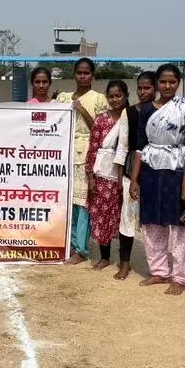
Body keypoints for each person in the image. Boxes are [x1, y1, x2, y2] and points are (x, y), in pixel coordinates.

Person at [131, 63, 185, 295]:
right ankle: (159, 271)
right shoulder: (147, 109)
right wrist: (135, 179)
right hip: (150, 170)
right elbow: (139, 146)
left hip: (176, 170)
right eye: (163, 82)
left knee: (178, 224)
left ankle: (179, 276)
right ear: (157, 83)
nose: (167, 86)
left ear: (178, 83)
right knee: (152, 223)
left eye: (172, 82)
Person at [58, 58, 108, 263]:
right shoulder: (63, 97)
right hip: (64, 153)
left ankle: (81, 249)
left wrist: (80, 109)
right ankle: (67, 242)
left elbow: (101, 128)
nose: (82, 76)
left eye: (86, 73)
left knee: (83, 203)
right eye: (79, 72)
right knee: (66, 202)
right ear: (74, 75)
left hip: (87, 152)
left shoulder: (98, 99)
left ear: (93, 76)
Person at [114, 72, 156, 281]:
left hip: (157, 170)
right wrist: (120, 179)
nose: (143, 92)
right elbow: (122, 146)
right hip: (131, 172)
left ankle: (158, 268)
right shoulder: (128, 113)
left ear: (155, 88)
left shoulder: (163, 112)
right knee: (127, 218)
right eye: (140, 87)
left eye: (147, 87)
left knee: (154, 223)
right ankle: (125, 263)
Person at [85, 80, 130, 270]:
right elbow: (93, 148)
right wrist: (90, 178)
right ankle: (105, 256)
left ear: (126, 96)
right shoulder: (101, 120)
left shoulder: (131, 117)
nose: (115, 99)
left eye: (118, 95)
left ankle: (124, 258)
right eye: (111, 96)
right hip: (103, 174)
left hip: (124, 172)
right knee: (103, 215)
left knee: (123, 216)